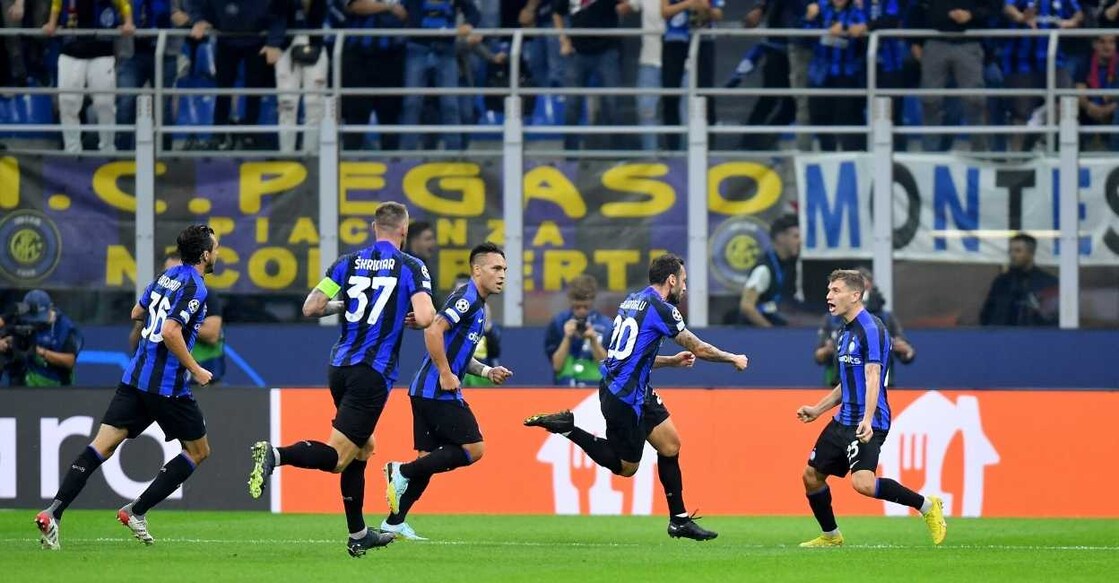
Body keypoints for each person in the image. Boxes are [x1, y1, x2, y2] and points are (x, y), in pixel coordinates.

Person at [247, 202, 434, 557]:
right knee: (337, 457)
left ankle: (358, 533)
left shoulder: (346, 263)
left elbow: (311, 307)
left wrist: (343, 306)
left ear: (374, 227)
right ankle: (276, 454)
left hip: (340, 366)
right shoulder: (411, 266)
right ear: (404, 232)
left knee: (364, 448)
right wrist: (412, 318)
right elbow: (425, 316)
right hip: (373, 372)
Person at [524, 253, 748, 541]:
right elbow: (699, 347)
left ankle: (679, 520)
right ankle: (569, 428)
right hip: (624, 397)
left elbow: (633, 355)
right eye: (684, 281)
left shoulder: (633, 301)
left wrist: (670, 361)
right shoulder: (662, 308)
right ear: (671, 280)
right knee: (626, 467)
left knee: (670, 445)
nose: (685, 288)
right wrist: (733, 358)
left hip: (633, 389)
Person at [33, 225, 218, 551]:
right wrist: (197, 369)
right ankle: (137, 510)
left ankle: (53, 513)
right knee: (199, 451)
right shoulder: (196, 287)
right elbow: (172, 333)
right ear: (204, 254)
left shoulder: (167, 276)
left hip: (134, 379)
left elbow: (137, 312)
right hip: (166, 386)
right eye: (214, 248)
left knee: (100, 447)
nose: (217, 253)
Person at [795, 269, 946, 547]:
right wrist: (818, 409)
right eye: (828, 290)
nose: (829, 296)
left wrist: (866, 419)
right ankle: (831, 536)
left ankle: (927, 505)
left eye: (835, 291)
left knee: (863, 483)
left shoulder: (871, 329)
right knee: (811, 477)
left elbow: (873, 376)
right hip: (843, 420)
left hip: (870, 420)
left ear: (855, 295)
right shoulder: (843, 330)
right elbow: (848, 383)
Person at [382, 243, 514, 540]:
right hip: (436, 390)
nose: (502, 275)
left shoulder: (478, 305)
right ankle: (401, 471)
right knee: (474, 449)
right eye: (495, 268)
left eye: (504, 269)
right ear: (476, 270)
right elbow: (433, 331)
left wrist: (486, 371)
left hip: (423, 391)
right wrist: (444, 372)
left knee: (427, 460)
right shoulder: (467, 298)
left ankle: (394, 521)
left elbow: (458, 352)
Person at [43, 0, 136, 153]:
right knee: (68, 102)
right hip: (71, 48)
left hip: (101, 49)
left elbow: (123, 2)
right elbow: (57, 2)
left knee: (104, 103)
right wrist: (52, 22)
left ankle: (107, 149)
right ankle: (72, 150)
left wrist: (128, 22)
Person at [814, 267, 914, 387]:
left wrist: (905, 350)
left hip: (879, 388)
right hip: (838, 384)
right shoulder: (832, 318)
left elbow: (874, 376)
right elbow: (819, 355)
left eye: (864, 288)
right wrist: (828, 350)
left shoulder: (881, 321)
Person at [160, 251, 224, 384]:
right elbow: (134, 341)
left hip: (204, 377)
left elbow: (212, 335)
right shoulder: (158, 297)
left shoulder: (205, 294)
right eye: (170, 273)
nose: (174, 278)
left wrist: (174, 320)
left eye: (179, 272)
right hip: (166, 378)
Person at [0, 290, 82, 386]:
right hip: (22, 378)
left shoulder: (64, 327)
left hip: (54, 384)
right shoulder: (21, 316)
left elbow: (69, 361)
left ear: (50, 309)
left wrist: (41, 352)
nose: (35, 322)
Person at [543, 274, 612, 386]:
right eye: (577, 307)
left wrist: (593, 340)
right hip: (565, 387)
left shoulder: (607, 326)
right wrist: (567, 337)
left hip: (596, 389)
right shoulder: (558, 323)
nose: (581, 311)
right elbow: (557, 366)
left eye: (585, 307)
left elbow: (610, 368)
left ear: (592, 301)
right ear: (570, 301)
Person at [979, 233, 1058, 327]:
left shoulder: (1047, 283)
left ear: (1031, 253)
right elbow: (987, 314)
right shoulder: (1002, 282)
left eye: (1018, 251)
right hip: (1003, 337)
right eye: (1010, 251)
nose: (1012, 255)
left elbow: (1053, 319)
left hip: (1035, 338)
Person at [737, 213, 801, 326]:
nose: (799, 241)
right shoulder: (763, 269)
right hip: (756, 334)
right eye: (795, 236)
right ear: (780, 238)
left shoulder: (791, 265)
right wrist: (770, 330)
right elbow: (746, 307)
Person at [452, 273, 502, 388]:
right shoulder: (445, 321)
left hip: (481, 371)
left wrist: (488, 328)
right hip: (455, 373)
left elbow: (494, 351)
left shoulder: (483, 311)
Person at [405, 220, 439, 302]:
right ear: (414, 241)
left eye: (433, 239)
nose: (433, 243)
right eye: (428, 239)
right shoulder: (406, 266)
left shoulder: (424, 265)